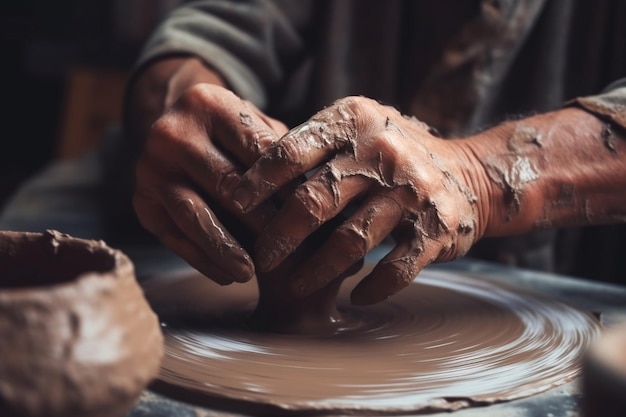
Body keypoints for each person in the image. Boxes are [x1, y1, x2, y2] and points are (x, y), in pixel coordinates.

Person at [2, 0, 626, 304]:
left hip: (564, 251)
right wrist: (186, 106)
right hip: (284, 203)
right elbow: (212, 29)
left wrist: (480, 177)